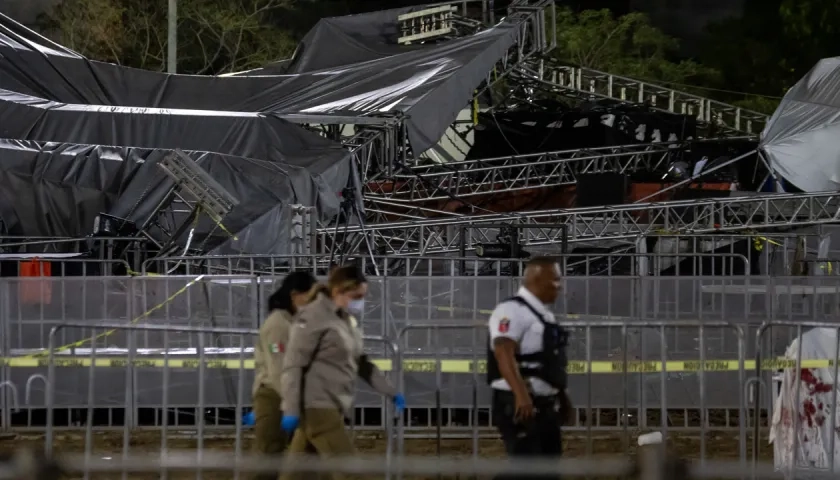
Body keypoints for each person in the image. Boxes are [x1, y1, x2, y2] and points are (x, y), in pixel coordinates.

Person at [279, 265, 405, 480]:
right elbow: (294, 365)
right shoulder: (313, 316)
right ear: (338, 291)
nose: (360, 302)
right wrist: (291, 408)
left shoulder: (344, 320)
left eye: (363, 296)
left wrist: (390, 391)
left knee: (297, 473)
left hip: (332, 405)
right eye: (356, 296)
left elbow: (362, 362)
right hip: (317, 406)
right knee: (348, 471)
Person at [486, 257, 573, 479]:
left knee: (548, 467)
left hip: (543, 403)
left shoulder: (544, 315)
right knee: (528, 469)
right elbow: (503, 352)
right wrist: (521, 395)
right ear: (536, 279)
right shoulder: (511, 310)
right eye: (555, 279)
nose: (559, 286)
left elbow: (549, 362)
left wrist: (561, 396)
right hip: (518, 402)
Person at [249, 271, 317, 480]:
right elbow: (278, 370)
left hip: (288, 393)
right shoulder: (278, 324)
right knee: (268, 455)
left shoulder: (294, 322)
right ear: (295, 295)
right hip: (274, 395)